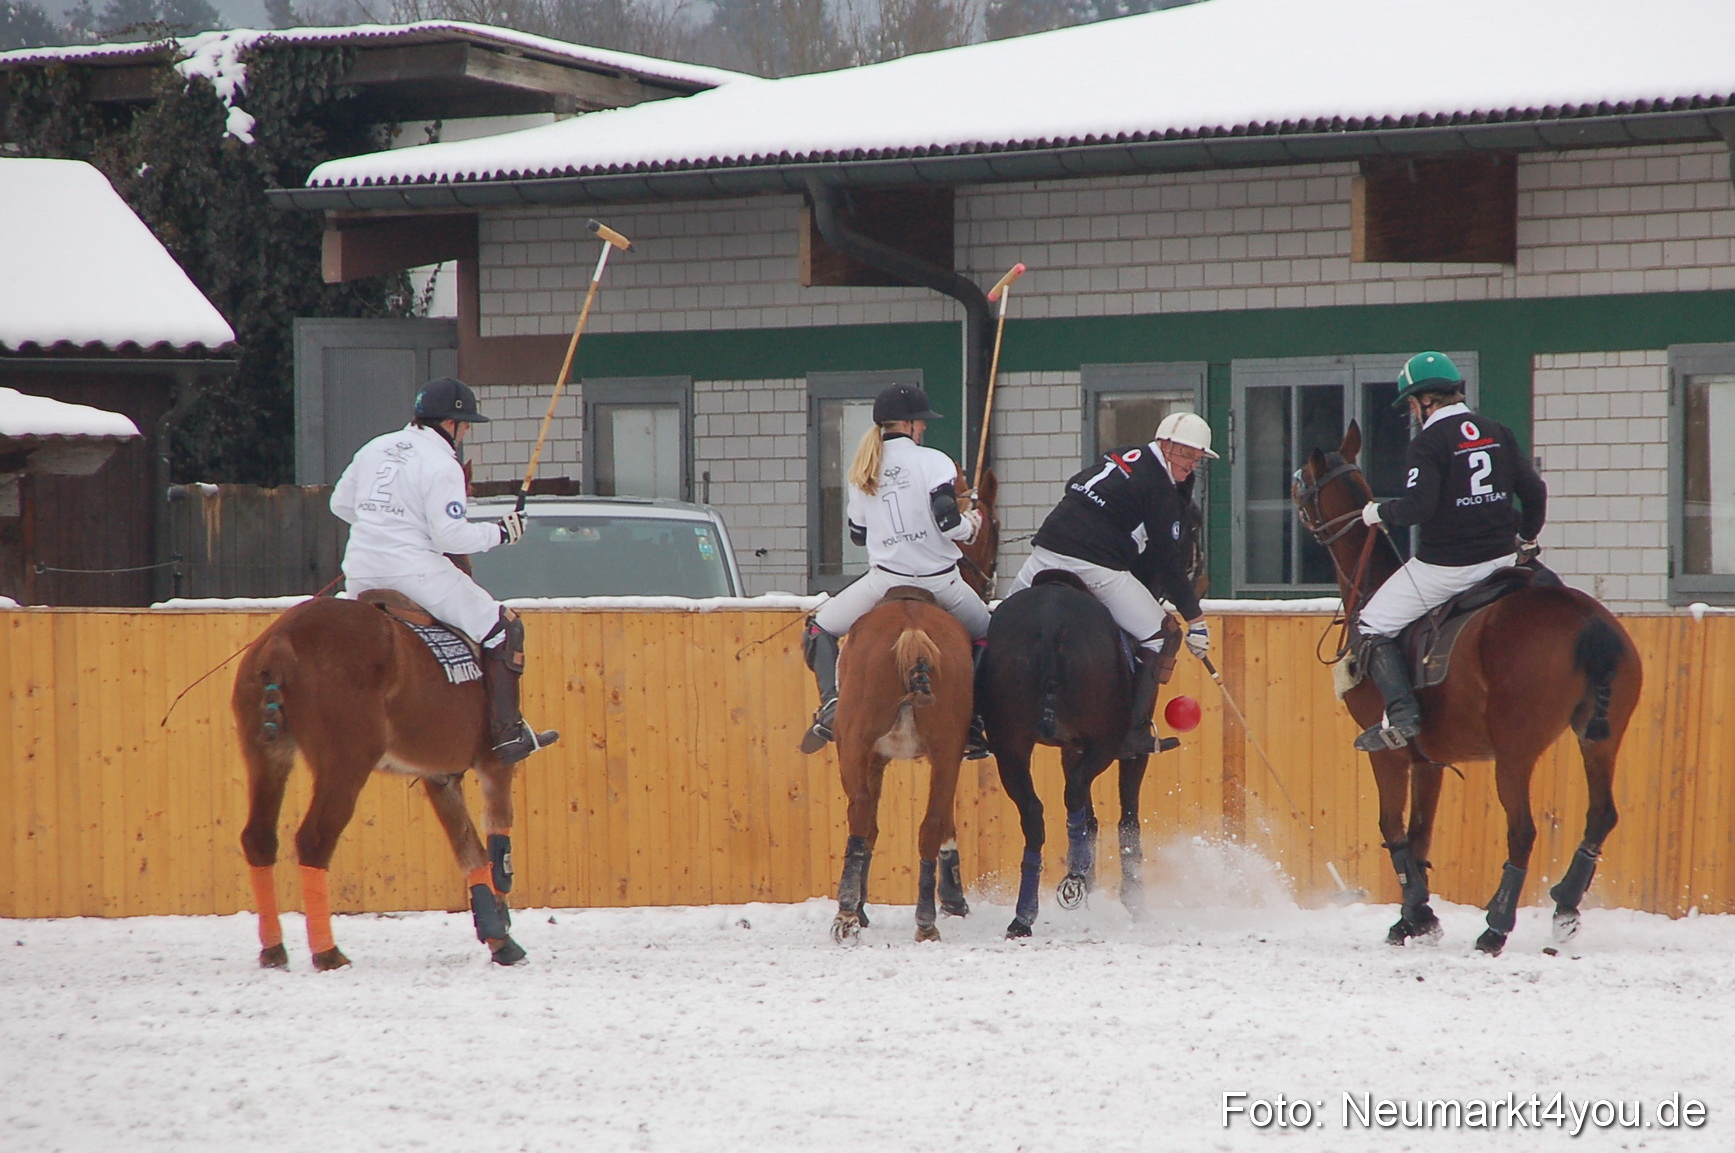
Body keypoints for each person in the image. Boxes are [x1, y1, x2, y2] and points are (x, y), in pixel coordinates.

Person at [330, 376, 558, 766]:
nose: (466, 431)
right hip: (415, 574)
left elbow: (341, 505)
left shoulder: (374, 447)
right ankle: (507, 736)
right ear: (449, 423)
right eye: (466, 423)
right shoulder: (441, 463)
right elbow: (451, 536)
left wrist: (383, 524)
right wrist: (501, 532)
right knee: (505, 627)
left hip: (361, 573)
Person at [1352, 351, 1547, 753]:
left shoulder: (1428, 443)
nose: (1413, 412)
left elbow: (1418, 509)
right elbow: (1534, 492)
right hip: (1502, 560)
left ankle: (1403, 713)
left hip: (1449, 567)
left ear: (1426, 400)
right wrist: (1526, 541)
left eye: (1412, 403)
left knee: (1369, 624)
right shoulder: (1498, 431)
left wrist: (1377, 512)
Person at [1008, 410, 1215, 757]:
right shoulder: (1161, 490)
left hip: (1044, 553)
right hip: (1094, 566)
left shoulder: (1123, 454)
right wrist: (1195, 621)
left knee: (999, 626)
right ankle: (1132, 732)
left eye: (1197, 459)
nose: (1191, 464)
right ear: (1164, 445)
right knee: (1163, 634)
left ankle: (978, 713)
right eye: (1185, 454)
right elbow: (1169, 564)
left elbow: (1073, 484)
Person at [801, 383, 992, 756]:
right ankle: (973, 720)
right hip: (943, 585)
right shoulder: (935, 460)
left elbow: (857, 535)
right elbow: (946, 519)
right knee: (991, 635)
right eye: (921, 423)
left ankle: (831, 704)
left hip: (884, 581)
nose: (923, 429)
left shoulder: (863, 469)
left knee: (816, 629)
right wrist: (971, 525)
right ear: (907, 424)